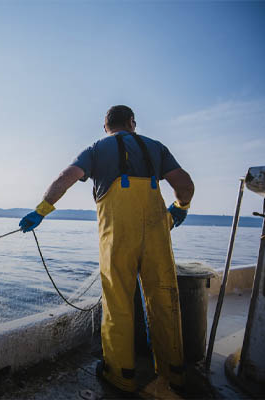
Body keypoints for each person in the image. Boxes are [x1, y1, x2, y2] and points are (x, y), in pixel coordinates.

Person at [19, 105, 194, 393]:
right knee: (164, 298)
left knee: (118, 301)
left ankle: (120, 374)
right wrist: (179, 208)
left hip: (117, 237)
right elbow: (185, 185)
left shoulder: (96, 149)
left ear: (106, 127)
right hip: (157, 233)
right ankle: (173, 373)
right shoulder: (156, 148)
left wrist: (41, 211)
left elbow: (66, 177)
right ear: (132, 123)